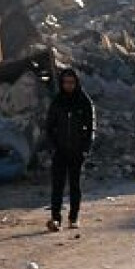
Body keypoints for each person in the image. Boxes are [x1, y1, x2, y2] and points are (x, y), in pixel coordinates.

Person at [45, 67, 95, 232]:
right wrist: (52, 147)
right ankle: (56, 219)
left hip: (77, 150)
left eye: (71, 82)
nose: (68, 85)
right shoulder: (57, 101)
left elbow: (91, 127)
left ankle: (73, 218)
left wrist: (86, 148)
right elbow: (49, 127)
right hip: (60, 150)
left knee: (75, 186)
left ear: (76, 83)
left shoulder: (84, 101)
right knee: (57, 186)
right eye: (65, 82)